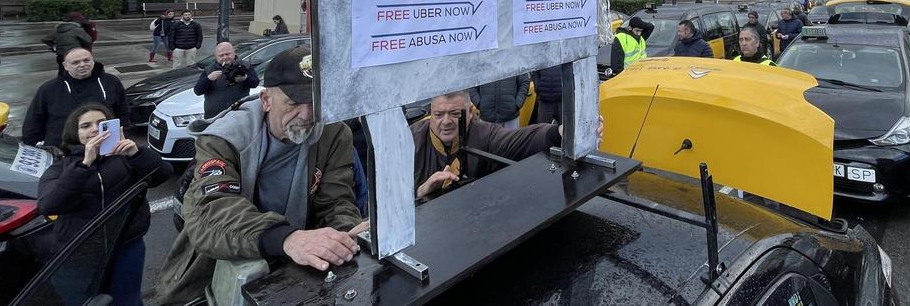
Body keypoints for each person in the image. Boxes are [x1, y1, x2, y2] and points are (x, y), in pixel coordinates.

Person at [154, 46, 365, 304]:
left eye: (315, 101)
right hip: (215, 272)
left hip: (298, 271)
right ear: (266, 100)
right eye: (293, 102)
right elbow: (211, 214)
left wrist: (347, 238)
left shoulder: (333, 133)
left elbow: (336, 201)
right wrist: (286, 238)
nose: (307, 115)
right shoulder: (224, 139)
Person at [37, 103, 171, 306]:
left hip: (126, 245)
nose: (94, 129)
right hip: (80, 250)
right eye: (85, 126)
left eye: (101, 123)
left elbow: (162, 175)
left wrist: (136, 154)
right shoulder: (61, 167)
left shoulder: (125, 158)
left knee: (128, 300)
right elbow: (50, 204)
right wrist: (84, 165)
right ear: (75, 133)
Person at [412, 90, 602, 200]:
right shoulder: (410, 141)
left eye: (455, 114)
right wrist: (421, 193)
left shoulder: (485, 135)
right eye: (438, 115)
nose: (445, 121)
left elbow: (525, 138)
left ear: (471, 112)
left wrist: (564, 132)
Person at [22, 48, 130, 147]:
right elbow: (34, 121)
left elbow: (123, 113)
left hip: (103, 147)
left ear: (93, 61)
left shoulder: (111, 82)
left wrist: (121, 137)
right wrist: (33, 146)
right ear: (65, 65)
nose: (82, 65)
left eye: (86, 60)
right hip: (63, 152)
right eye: (76, 62)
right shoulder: (49, 89)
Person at [194, 42, 261, 118]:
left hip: (239, 115)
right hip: (215, 117)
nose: (225, 57)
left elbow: (255, 83)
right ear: (216, 57)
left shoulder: (245, 66)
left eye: (228, 54)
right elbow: (197, 91)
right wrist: (208, 79)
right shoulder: (209, 70)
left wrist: (245, 78)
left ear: (234, 53)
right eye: (221, 55)